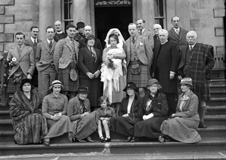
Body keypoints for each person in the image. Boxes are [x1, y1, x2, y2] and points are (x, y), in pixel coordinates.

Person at [177, 31, 215, 128]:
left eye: (192, 37)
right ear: (186, 39)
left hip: (200, 78)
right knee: (187, 100)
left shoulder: (204, 48)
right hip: (187, 79)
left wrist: (204, 71)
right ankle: (190, 121)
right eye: (189, 37)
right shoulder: (183, 49)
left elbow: (211, 61)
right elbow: (181, 63)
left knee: (201, 100)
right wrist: (180, 74)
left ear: (196, 38)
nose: (190, 39)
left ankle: (201, 121)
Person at [160, 77, 202, 143]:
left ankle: (190, 137)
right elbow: (178, 109)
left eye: (183, 85)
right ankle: (171, 137)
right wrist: (177, 115)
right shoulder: (181, 96)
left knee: (174, 121)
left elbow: (191, 112)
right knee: (167, 122)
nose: (181, 87)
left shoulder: (194, 97)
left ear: (188, 86)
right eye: (181, 85)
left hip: (192, 119)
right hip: (181, 118)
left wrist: (177, 115)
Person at [9, 78, 48, 145]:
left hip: (34, 115)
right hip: (21, 118)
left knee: (39, 118)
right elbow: (13, 110)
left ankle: (37, 139)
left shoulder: (35, 95)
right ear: (22, 87)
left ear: (31, 86)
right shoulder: (17, 96)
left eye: (28, 85)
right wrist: (27, 112)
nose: (27, 87)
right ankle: (23, 139)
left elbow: (41, 106)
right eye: (25, 85)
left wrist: (38, 111)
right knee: (31, 118)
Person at [151, 29, 180, 116]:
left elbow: (175, 59)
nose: (162, 37)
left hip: (169, 74)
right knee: (162, 93)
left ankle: (172, 112)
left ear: (167, 36)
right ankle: (164, 112)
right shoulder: (158, 46)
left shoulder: (172, 45)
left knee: (169, 94)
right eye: (160, 36)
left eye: (163, 35)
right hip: (159, 74)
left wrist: (173, 71)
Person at [101, 33, 126, 115]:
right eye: (111, 41)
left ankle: (118, 111)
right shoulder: (106, 50)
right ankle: (109, 111)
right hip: (109, 73)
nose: (113, 42)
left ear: (117, 41)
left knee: (118, 91)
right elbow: (104, 59)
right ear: (109, 41)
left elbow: (123, 56)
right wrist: (111, 65)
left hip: (118, 74)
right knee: (109, 91)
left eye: (114, 40)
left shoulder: (120, 49)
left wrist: (115, 56)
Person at [124, 23, 153, 95]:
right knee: (132, 89)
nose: (132, 31)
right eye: (130, 30)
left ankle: (143, 105)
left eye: (133, 29)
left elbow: (150, 54)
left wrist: (147, 66)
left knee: (142, 89)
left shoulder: (144, 39)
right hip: (131, 66)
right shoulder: (126, 42)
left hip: (142, 65)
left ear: (137, 29)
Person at [42, 80, 73, 146]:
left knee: (66, 118)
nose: (57, 89)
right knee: (63, 120)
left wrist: (60, 114)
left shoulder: (64, 97)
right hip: (50, 118)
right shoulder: (46, 98)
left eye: (59, 88)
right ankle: (49, 136)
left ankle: (48, 136)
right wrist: (52, 117)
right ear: (52, 88)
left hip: (60, 116)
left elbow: (65, 111)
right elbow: (44, 112)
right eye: (55, 87)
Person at [54, 24, 80, 99]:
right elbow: (56, 57)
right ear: (66, 31)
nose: (72, 32)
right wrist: (58, 68)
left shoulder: (77, 43)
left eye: (73, 31)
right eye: (70, 31)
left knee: (73, 90)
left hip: (74, 67)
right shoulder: (61, 42)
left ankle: (72, 107)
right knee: (64, 89)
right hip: (64, 67)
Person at [78, 34, 102, 110]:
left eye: (93, 40)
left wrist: (98, 71)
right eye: (90, 40)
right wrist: (87, 73)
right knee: (87, 95)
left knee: (95, 96)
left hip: (96, 77)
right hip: (85, 77)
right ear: (86, 41)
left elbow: (101, 62)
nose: (92, 41)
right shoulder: (82, 50)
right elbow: (80, 62)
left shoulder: (98, 51)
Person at [36, 26, 57, 100]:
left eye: (52, 32)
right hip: (43, 69)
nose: (50, 34)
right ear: (46, 33)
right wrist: (39, 66)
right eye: (48, 32)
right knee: (43, 89)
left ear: (54, 33)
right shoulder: (40, 44)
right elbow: (37, 58)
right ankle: (42, 106)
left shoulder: (58, 44)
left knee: (54, 88)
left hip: (54, 69)